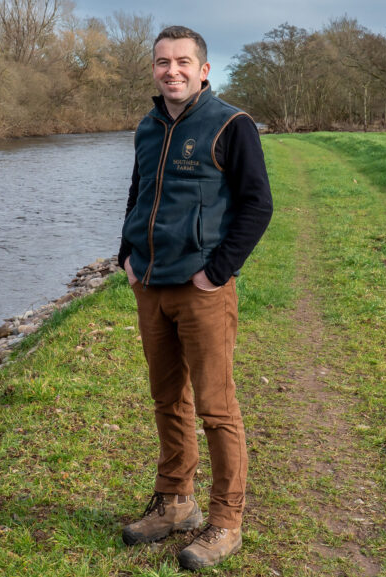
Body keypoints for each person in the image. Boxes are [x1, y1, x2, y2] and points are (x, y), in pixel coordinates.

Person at [116, 25, 272, 570]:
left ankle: (226, 522)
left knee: (216, 408)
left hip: (202, 290)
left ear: (203, 70)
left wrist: (217, 273)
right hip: (151, 285)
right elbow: (139, 194)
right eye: (163, 62)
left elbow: (258, 205)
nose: (172, 71)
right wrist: (126, 256)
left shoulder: (231, 123)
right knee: (167, 399)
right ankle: (175, 502)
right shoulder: (148, 125)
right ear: (154, 69)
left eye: (183, 62)